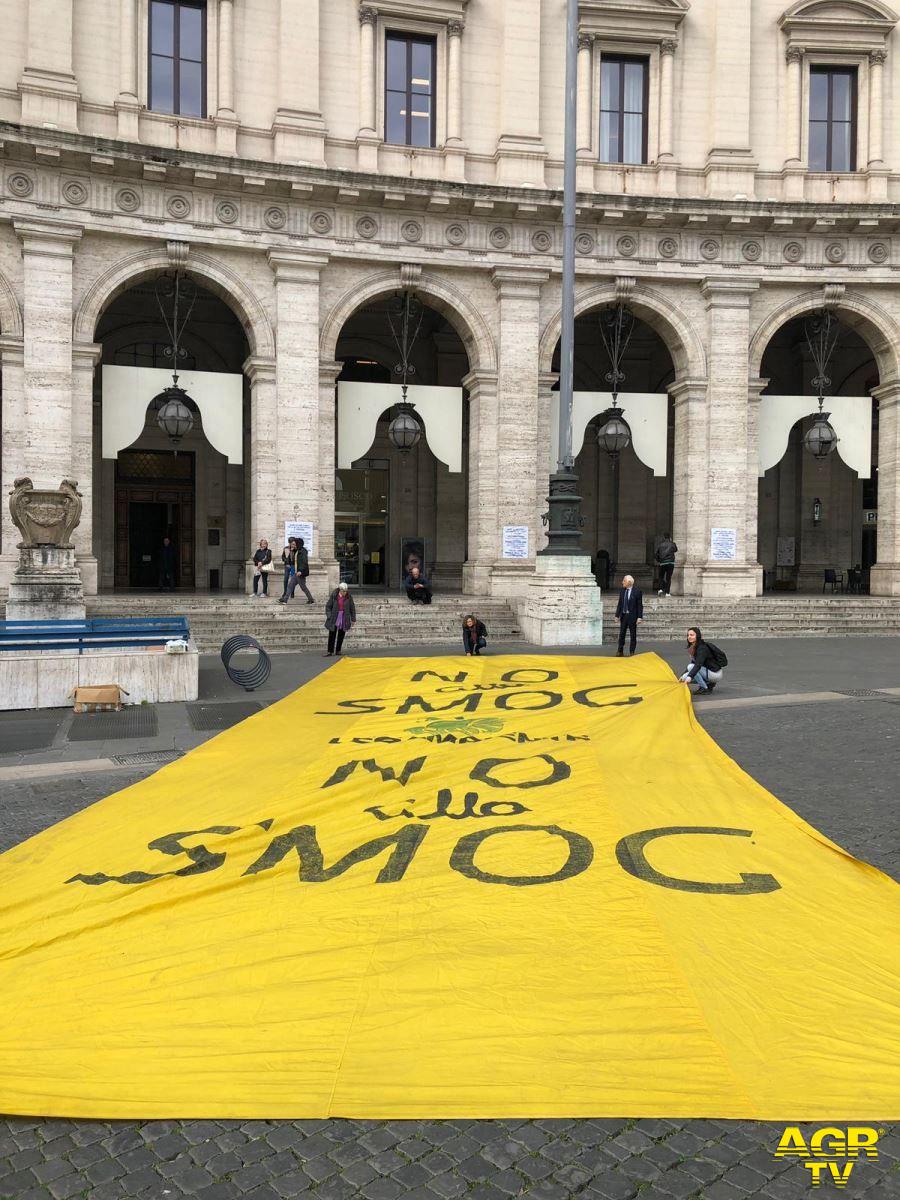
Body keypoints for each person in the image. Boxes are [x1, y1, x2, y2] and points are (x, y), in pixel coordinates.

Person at [679, 626, 727, 695]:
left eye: (692, 635)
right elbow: (694, 662)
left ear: (697, 636)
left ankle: (704, 688)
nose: (689, 637)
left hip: (715, 674)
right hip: (708, 671)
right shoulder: (694, 647)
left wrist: (690, 677)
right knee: (684, 677)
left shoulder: (702, 648)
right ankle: (709, 683)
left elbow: (698, 664)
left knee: (690, 668)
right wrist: (683, 675)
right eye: (688, 635)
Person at [614, 573, 643, 657]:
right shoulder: (622, 591)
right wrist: (617, 615)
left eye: (624, 581)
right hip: (624, 616)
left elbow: (639, 605)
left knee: (633, 635)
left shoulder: (637, 591)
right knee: (622, 634)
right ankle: (620, 650)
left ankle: (632, 652)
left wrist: (639, 617)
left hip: (632, 616)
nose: (622, 582)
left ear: (629, 582)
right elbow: (620, 604)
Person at [324, 581, 356, 657]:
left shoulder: (349, 596)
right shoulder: (334, 595)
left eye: (346, 591)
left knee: (341, 633)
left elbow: (352, 608)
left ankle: (338, 650)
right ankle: (330, 651)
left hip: (344, 616)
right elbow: (328, 606)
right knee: (332, 633)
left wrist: (353, 619)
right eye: (343, 591)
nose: (345, 592)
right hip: (335, 616)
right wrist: (329, 616)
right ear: (340, 590)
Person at [281, 537, 315, 604]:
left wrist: (300, 571)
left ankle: (311, 600)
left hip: (300, 573)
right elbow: (290, 559)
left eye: (295, 544)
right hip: (296, 573)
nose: (294, 545)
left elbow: (304, 562)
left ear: (298, 544)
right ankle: (285, 600)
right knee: (290, 586)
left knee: (303, 587)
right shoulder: (297, 551)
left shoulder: (303, 551)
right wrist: (290, 550)